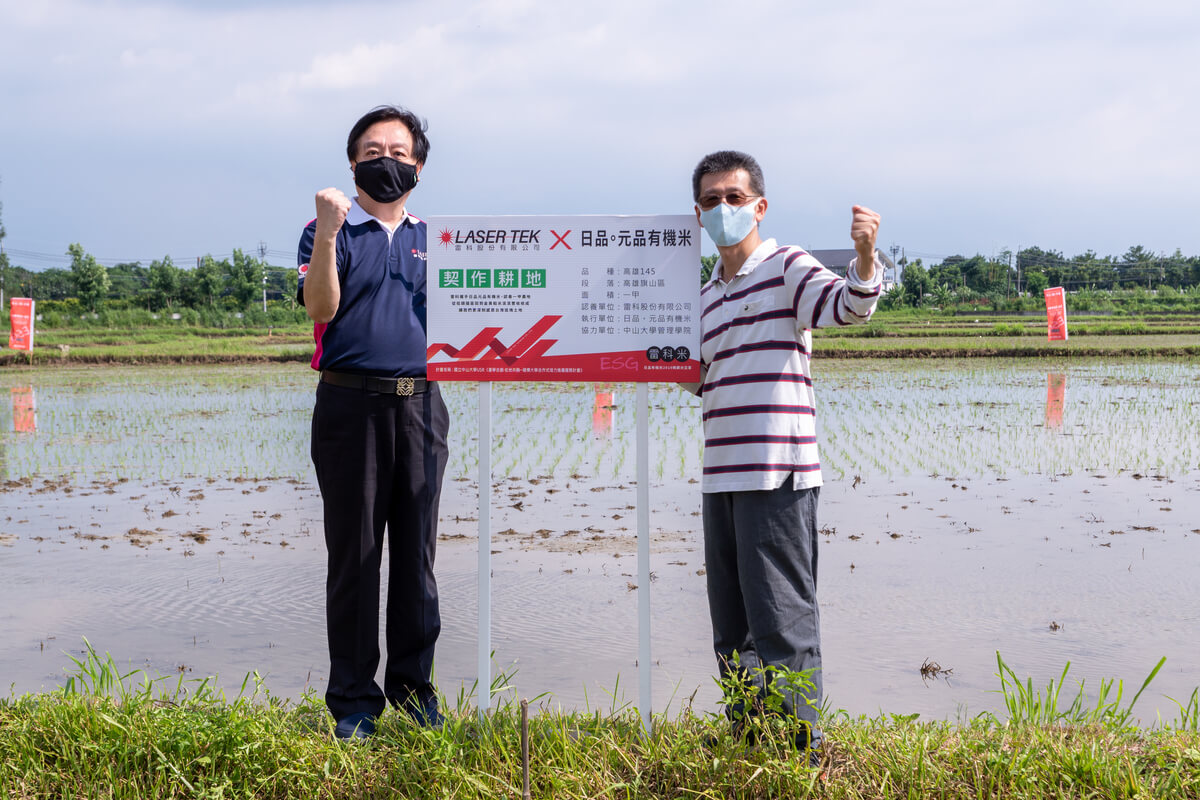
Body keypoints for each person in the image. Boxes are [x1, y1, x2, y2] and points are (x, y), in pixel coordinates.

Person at [689, 150, 882, 760]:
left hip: (777, 474)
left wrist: (866, 258)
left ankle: (801, 749)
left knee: (783, 619)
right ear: (698, 215)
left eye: (734, 197)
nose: (724, 208)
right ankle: (750, 738)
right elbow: (700, 378)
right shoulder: (704, 298)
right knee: (733, 625)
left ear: (759, 207)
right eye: (712, 200)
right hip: (720, 475)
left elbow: (848, 307)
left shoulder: (786, 266)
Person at [297, 105, 449, 740]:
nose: (385, 159)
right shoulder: (325, 231)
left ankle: (415, 698)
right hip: (349, 406)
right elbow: (321, 307)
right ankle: (354, 703)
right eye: (371, 149)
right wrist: (331, 233)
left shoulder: (440, 241)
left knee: (416, 558)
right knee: (355, 557)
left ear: (418, 164)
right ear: (353, 162)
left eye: (398, 149)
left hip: (421, 405)